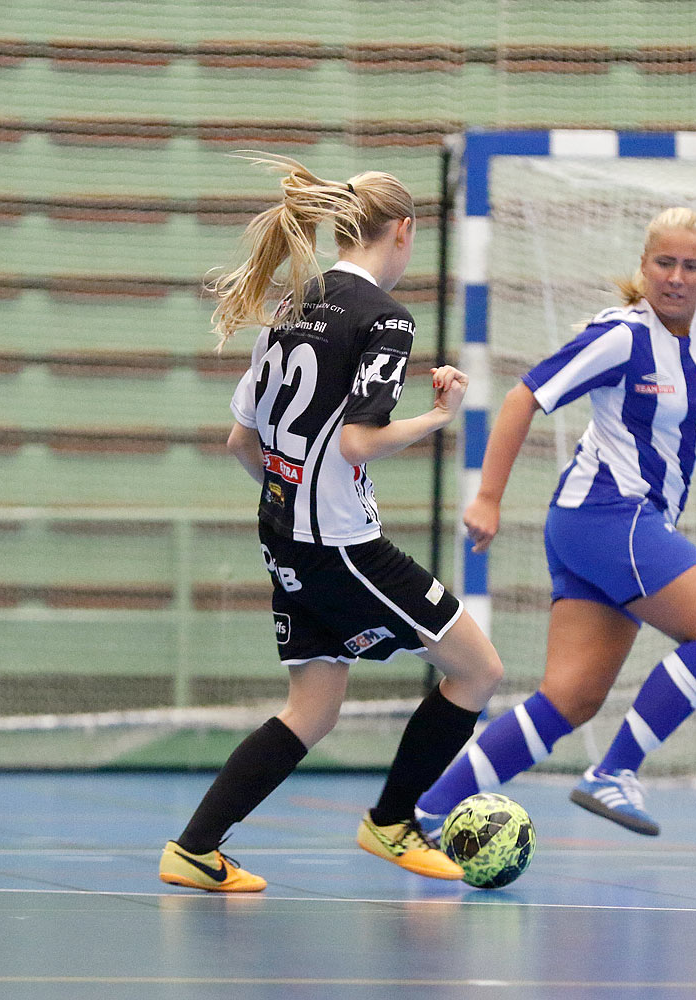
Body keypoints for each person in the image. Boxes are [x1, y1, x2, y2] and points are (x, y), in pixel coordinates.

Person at [415, 208, 696, 838]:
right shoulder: (621, 336)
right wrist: (488, 498)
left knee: (570, 699)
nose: (675, 278)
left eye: (690, 265)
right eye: (662, 263)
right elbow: (522, 398)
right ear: (643, 265)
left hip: (601, 528)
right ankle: (613, 771)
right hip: (608, 515)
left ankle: (428, 811)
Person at [157, 153, 505, 892]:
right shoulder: (385, 317)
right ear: (404, 232)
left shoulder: (290, 305)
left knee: (311, 710)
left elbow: (241, 443)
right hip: (345, 548)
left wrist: (291, 498)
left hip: (283, 539)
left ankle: (193, 848)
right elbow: (356, 441)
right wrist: (439, 415)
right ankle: (391, 821)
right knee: (478, 671)